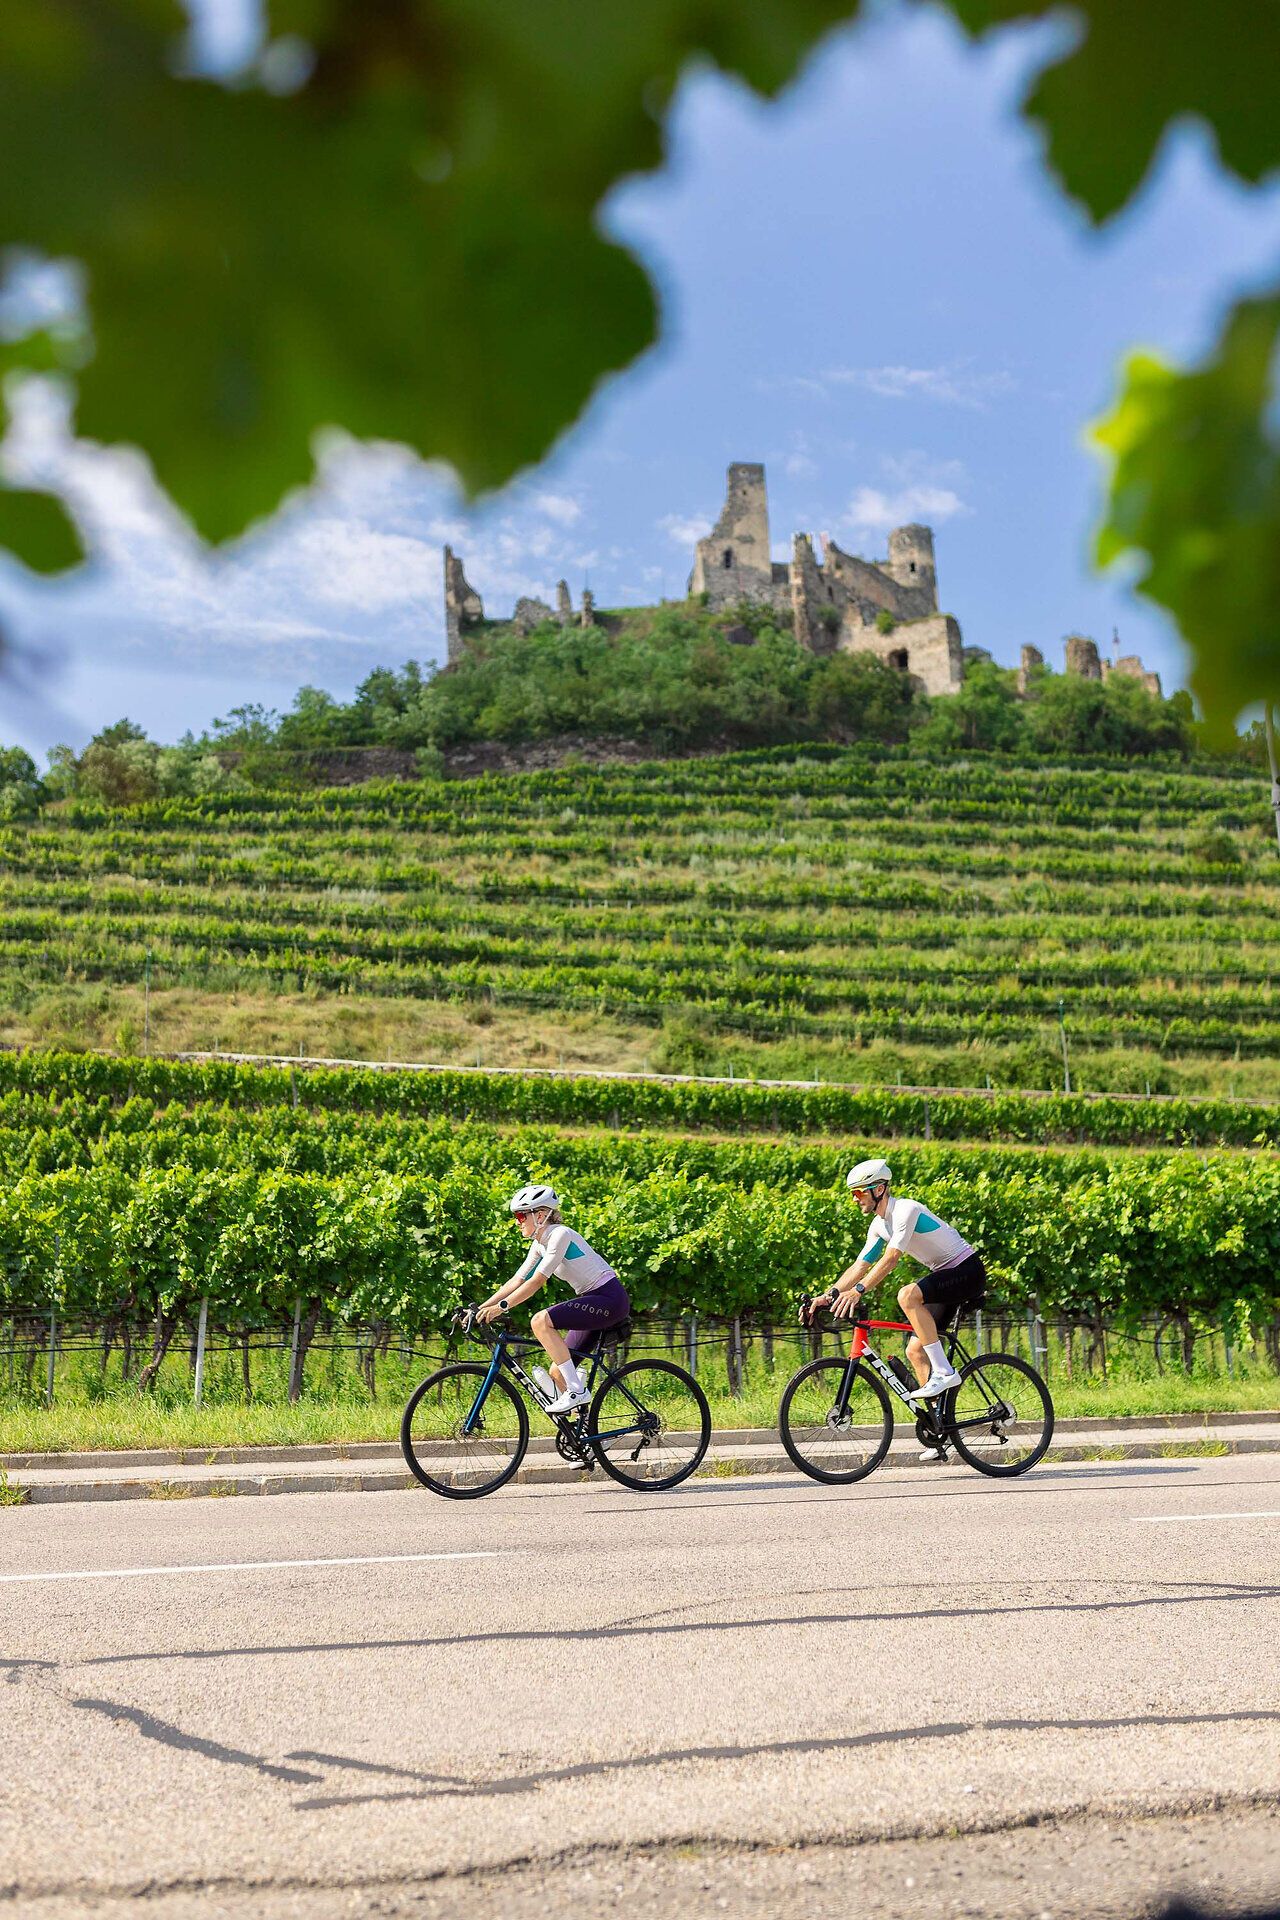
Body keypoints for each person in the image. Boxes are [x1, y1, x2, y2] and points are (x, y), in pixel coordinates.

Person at [810, 1157, 987, 1463]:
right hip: (943, 1275)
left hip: (966, 1270)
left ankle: (944, 1371)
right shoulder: (879, 1225)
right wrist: (828, 1295)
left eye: (858, 1193)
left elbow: (891, 1259)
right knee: (915, 1351)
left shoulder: (906, 1209)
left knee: (907, 1295)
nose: (855, 1200)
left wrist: (860, 1290)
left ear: (879, 1189)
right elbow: (860, 1264)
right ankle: (938, 1426)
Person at [476, 1184, 630, 1414]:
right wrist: (480, 1309)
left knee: (540, 1321)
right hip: (593, 1300)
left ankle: (577, 1391)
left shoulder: (560, 1234)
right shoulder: (540, 1244)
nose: (517, 1222)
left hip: (609, 1298)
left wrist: (501, 1308)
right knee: (557, 1372)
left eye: (520, 1215)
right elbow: (516, 1281)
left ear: (540, 1215)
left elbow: (537, 1281)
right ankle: (589, 1437)